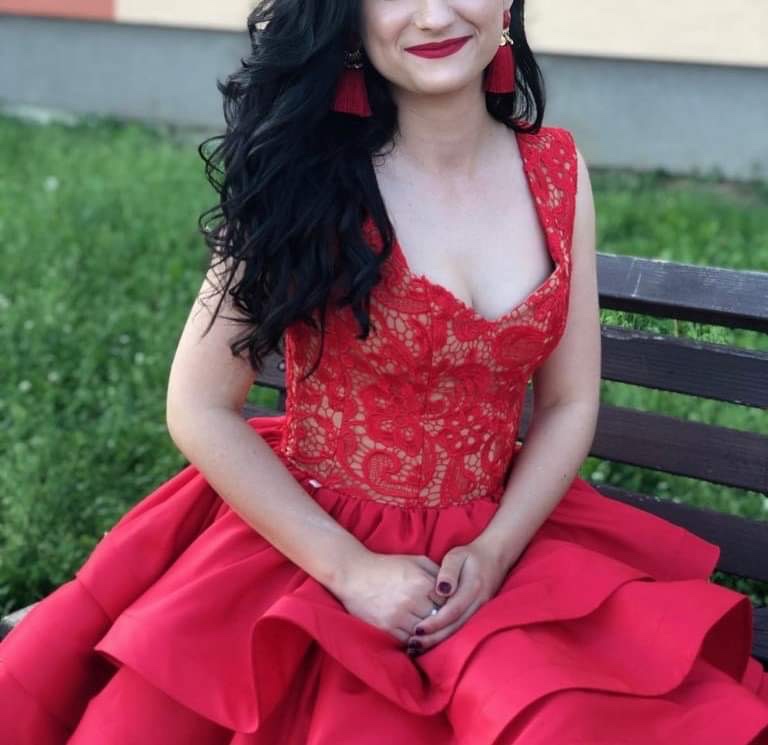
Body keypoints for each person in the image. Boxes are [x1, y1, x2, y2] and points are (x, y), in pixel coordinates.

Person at [1, 0, 767, 742]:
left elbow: (567, 402)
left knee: (560, 719)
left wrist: (497, 551)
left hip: (500, 542)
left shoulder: (557, 171)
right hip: (312, 546)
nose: (433, 16)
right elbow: (198, 405)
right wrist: (352, 571)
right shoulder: (300, 172)